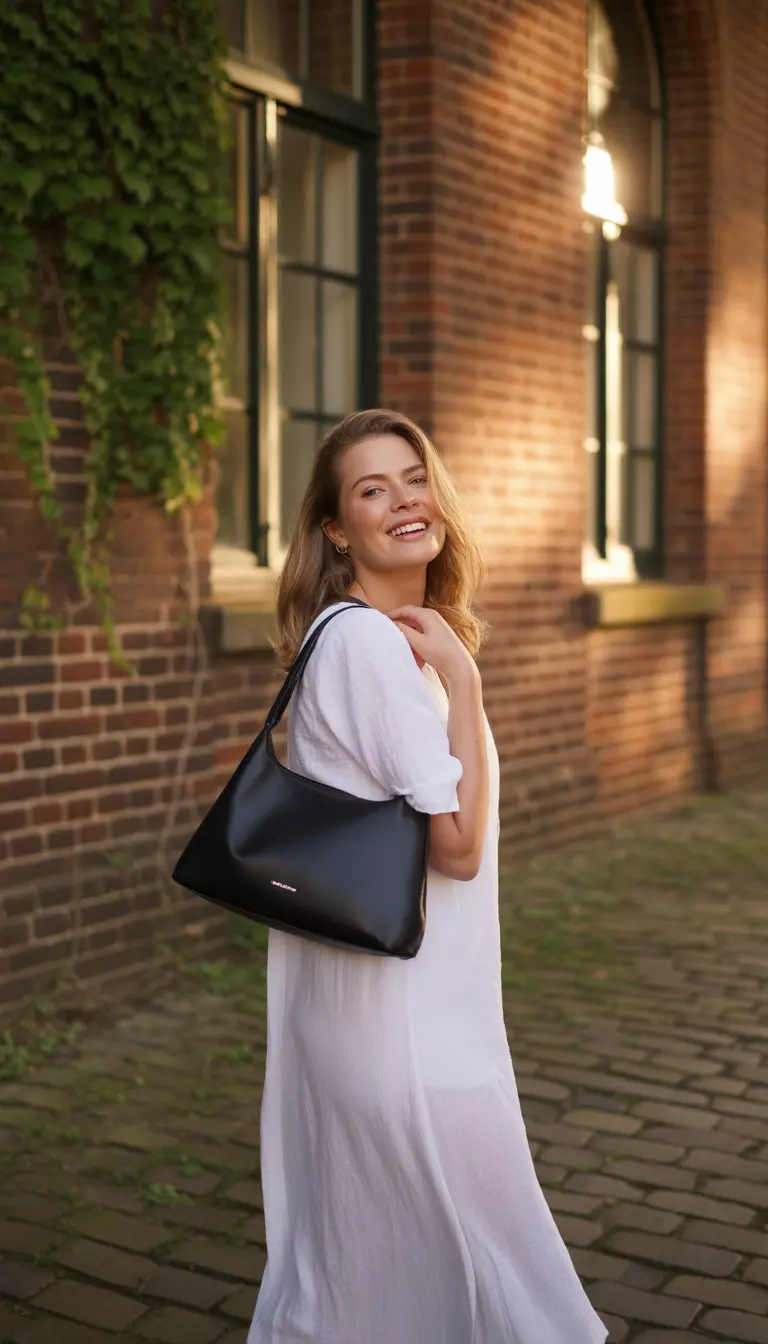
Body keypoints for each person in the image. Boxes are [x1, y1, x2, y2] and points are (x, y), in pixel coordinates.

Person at [247, 409, 606, 1344]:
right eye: (372, 489)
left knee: (384, 1276)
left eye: (414, 478)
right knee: (491, 1270)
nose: (405, 500)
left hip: (390, 1013)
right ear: (336, 529)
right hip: (407, 1034)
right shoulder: (370, 646)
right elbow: (457, 847)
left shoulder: (382, 636)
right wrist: (470, 682)